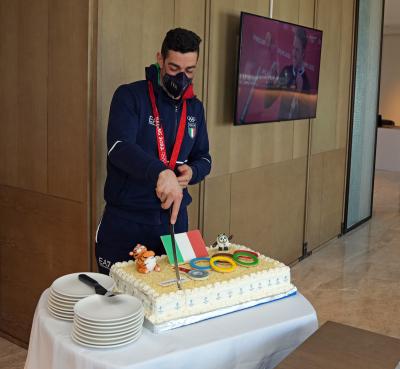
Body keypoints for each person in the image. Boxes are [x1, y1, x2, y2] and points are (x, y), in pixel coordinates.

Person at [95, 28, 212, 274]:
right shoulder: (129, 95)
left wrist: (193, 171)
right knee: (118, 299)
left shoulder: (195, 108)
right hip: (127, 220)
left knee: (182, 294)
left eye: (189, 71)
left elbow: (205, 158)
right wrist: (161, 172)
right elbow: (119, 148)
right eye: (174, 68)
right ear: (160, 59)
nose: (182, 77)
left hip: (175, 221)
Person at [265, 27, 312, 120]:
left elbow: (303, 119)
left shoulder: (306, 84)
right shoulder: (286, 71)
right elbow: (267, 103)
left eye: (297, 50)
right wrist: (270, 81)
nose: (293, 53)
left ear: (303, 53)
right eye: (293, 48)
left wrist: (299, 92)